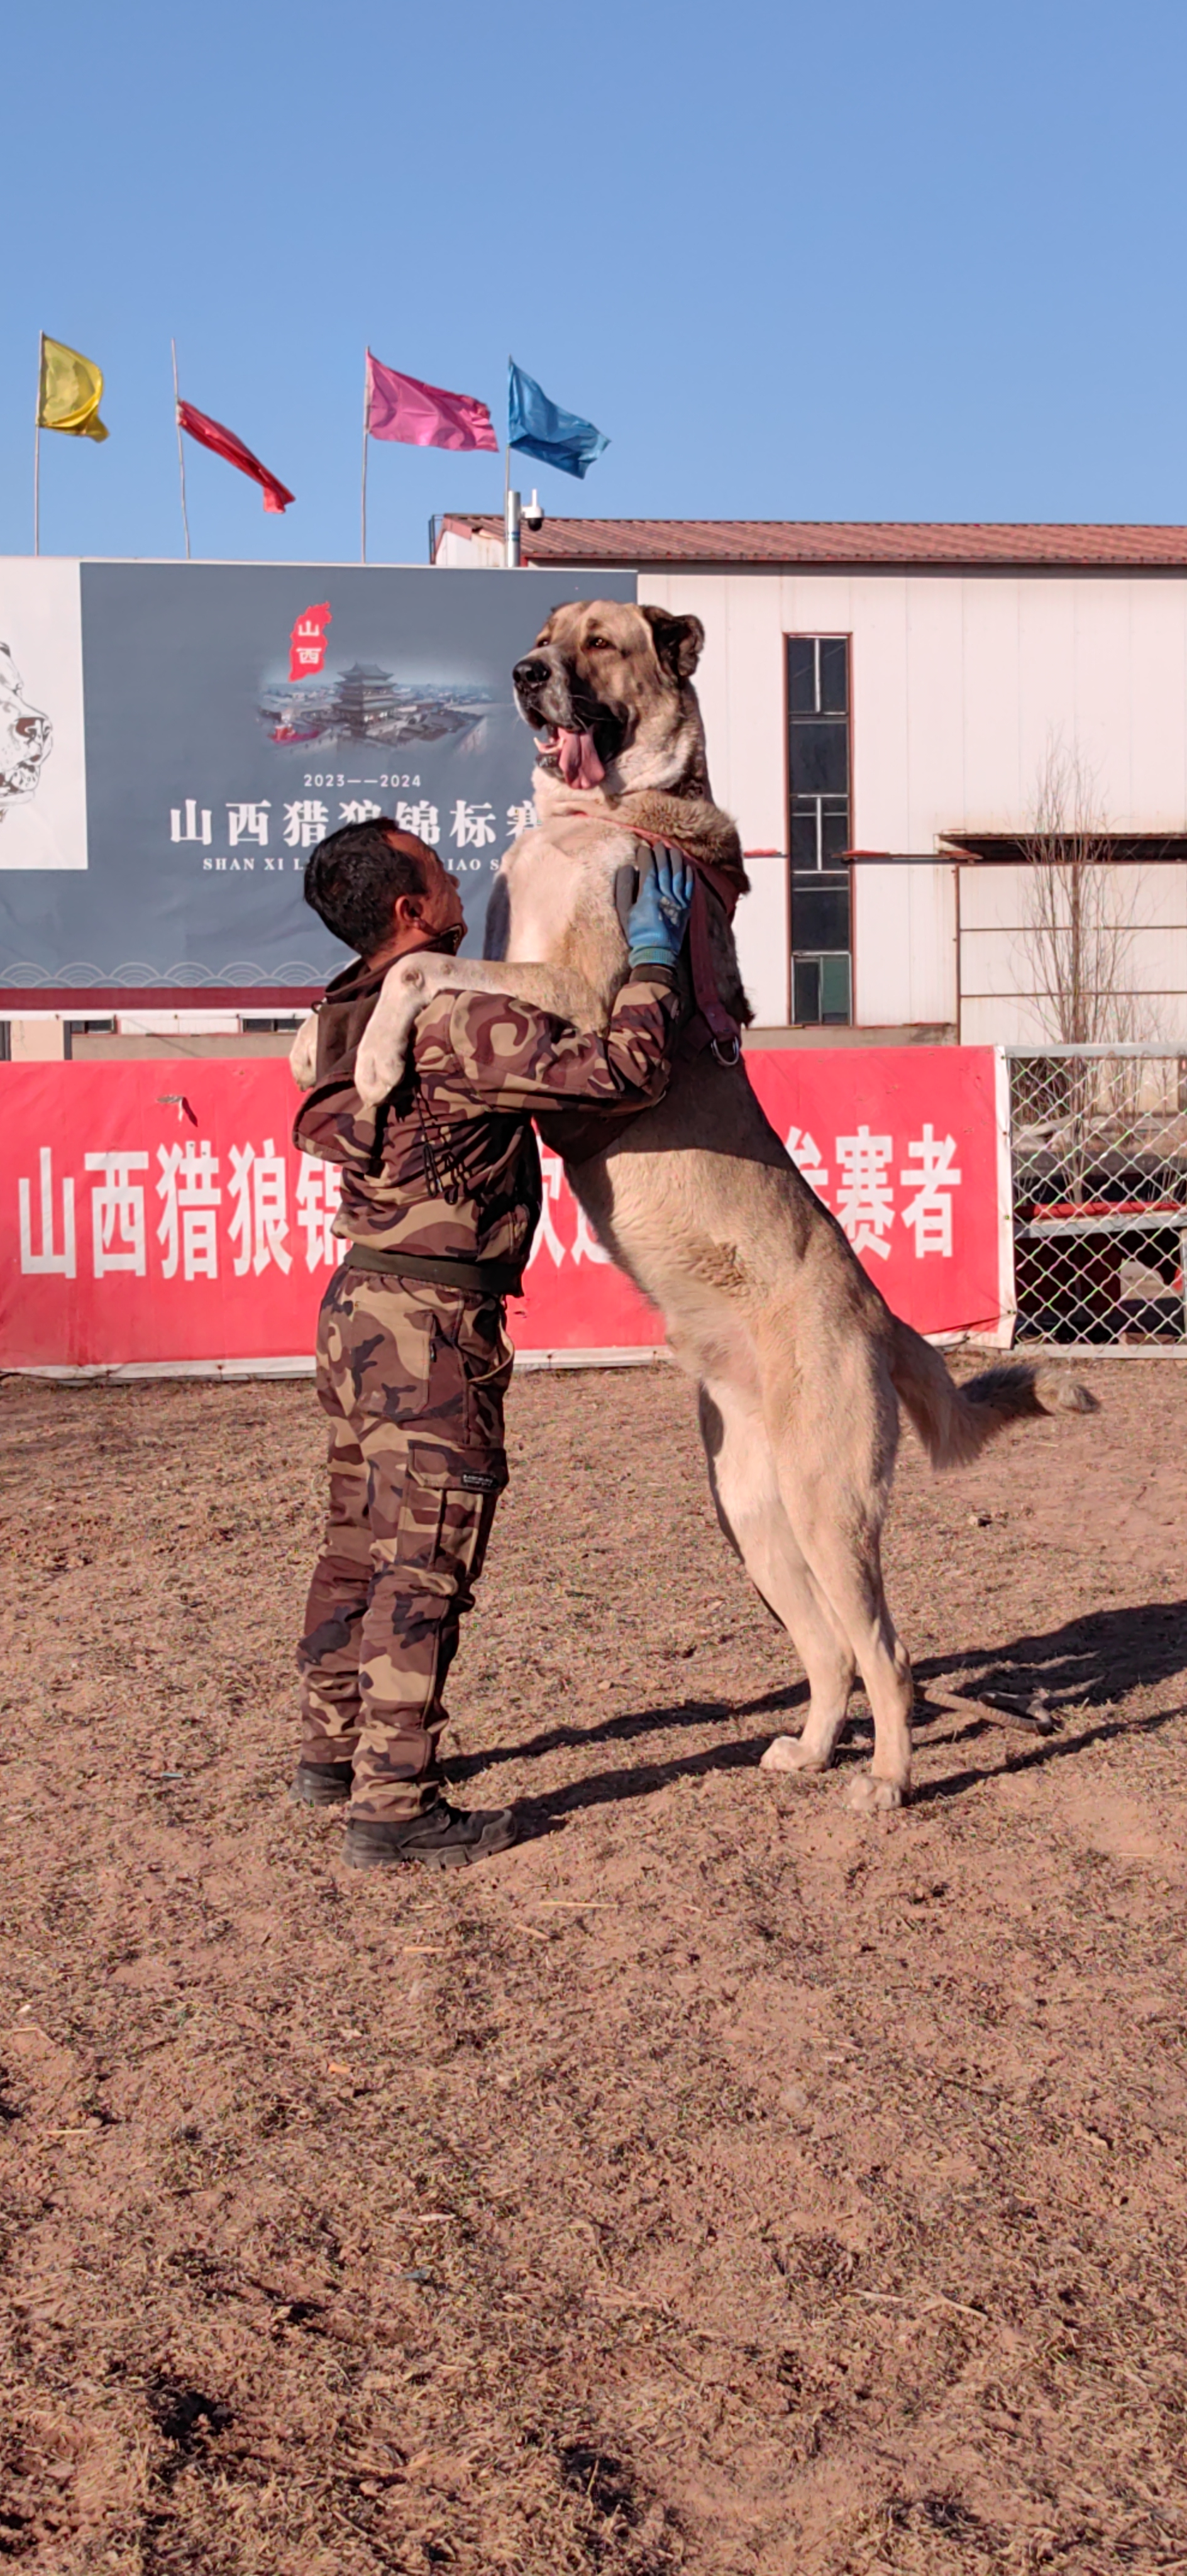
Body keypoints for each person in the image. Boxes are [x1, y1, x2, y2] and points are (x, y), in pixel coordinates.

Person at [290, 816, 694, 1871]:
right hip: (430, 1332)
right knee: (425, 1562)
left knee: (356, 1544)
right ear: (408, 912)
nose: (457, 874)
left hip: (358, 1310)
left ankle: (331, 1753)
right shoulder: (456, 1021)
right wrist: (654, 960)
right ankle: (393, 1804)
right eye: (435, 867)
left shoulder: (345, 1011)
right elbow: (623, 1072)